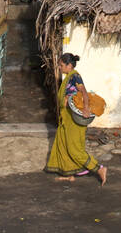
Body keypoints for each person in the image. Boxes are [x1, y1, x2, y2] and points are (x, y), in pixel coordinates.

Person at [44, 53, 107, 185]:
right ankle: (70, 174)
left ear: (69, 65)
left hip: (73, 119)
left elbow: (83, 92)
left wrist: (85, 108)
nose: (60, 67)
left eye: (61, 65)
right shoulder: (68, 77)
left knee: (74, 149)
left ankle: (99, 168)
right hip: (65, 117)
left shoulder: (75, 77)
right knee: (63, 144)